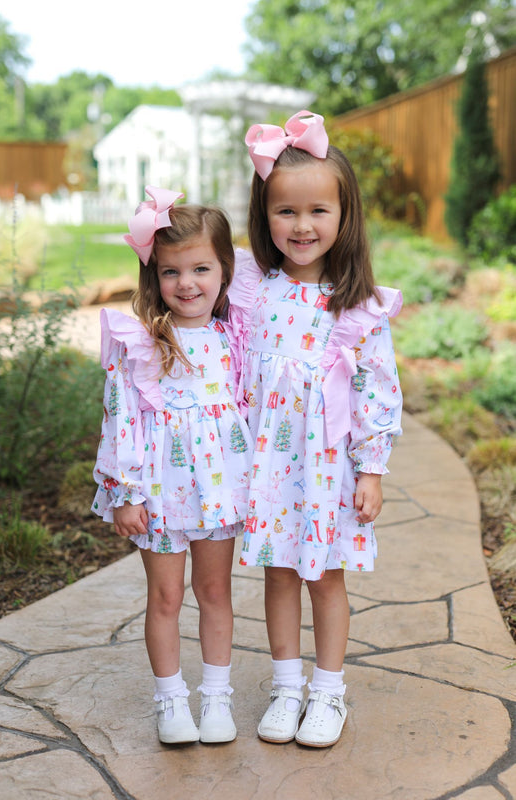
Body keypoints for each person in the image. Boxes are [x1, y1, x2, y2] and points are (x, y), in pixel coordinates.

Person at [229, 110, 403, 748]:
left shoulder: (357, 305)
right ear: (264, 215)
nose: (302, 226)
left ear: (343, 215)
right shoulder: (255, 292)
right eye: (286, 212)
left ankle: (328, 692)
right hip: (272, 467)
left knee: (325, 577)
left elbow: (375, 390)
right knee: (277, 572)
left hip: (328, 466)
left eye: (317, 212)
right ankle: (286, 685)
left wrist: (373, 468)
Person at [92, 186, 252, 745]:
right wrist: (124, 492)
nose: (187, 284)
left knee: (216, 593)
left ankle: (216, 699)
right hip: (159, 492)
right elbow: (121, 419)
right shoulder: (141, 343)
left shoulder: (236, 336)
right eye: (170, 272)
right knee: (164, 597)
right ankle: (171, 701)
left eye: (202, 268)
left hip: (217, 489)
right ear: (152, 277)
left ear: (225, 271)